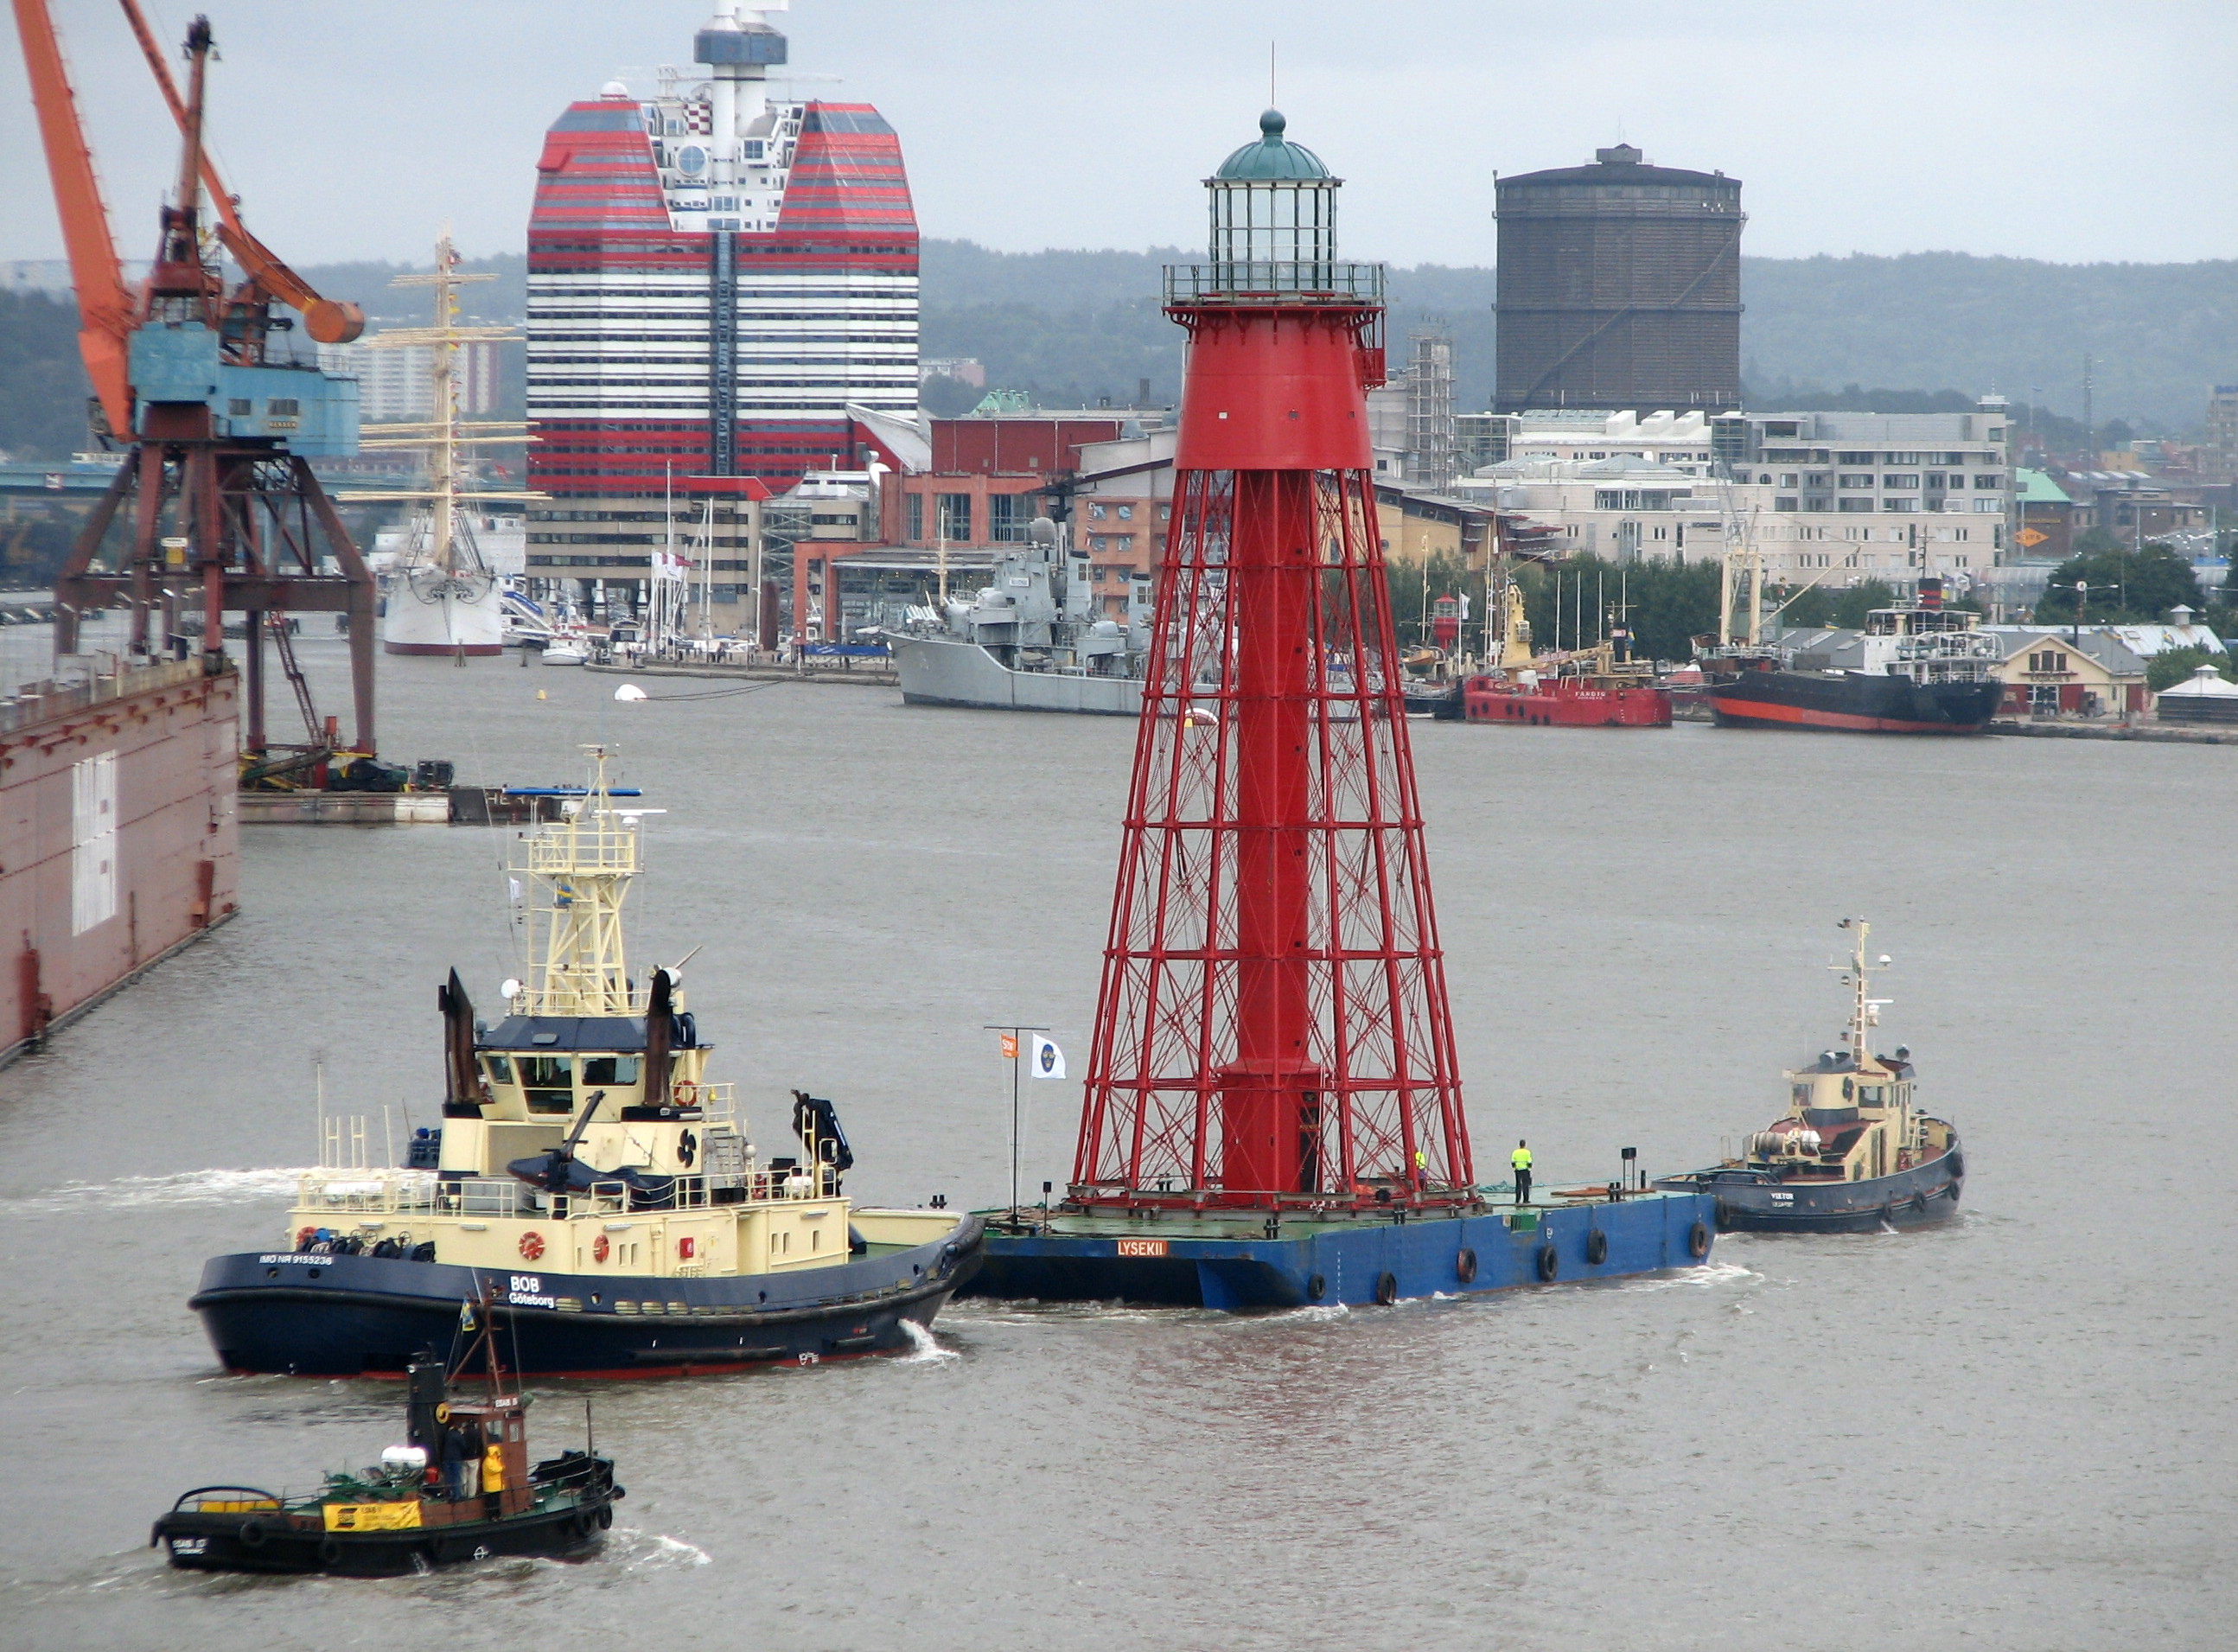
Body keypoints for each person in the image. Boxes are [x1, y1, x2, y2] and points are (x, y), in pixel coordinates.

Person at [1511, 1139, 1533, 1206]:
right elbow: (1529, 1162)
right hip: (1525, 1170)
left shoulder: (1515, 1152)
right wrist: (1529, 1169)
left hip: (1518, 1170)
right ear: (1525, 1145)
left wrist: (1515, 1168)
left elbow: (1513, 1161)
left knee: (1518, 1185)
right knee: (1525, 1185)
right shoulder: (1527, 1152)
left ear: (1519, 1144)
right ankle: (1526, 1200)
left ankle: (1517, 1200)